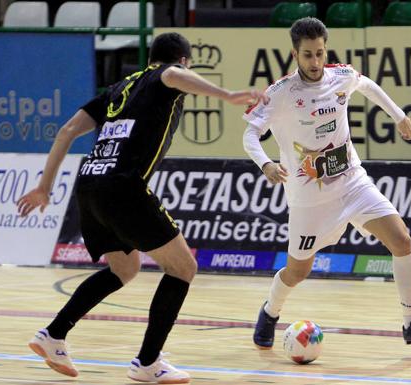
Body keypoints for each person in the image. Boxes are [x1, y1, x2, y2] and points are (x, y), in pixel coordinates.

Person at [16, 32, 267, 384]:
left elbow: (66, 131)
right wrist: (227, 95)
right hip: (122, 186)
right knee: (183, 267)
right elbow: (172, 76)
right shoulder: (165, 74)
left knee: (125, 267)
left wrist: (44, 187)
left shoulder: (117, 88)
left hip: (89, 184)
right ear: (183, 60)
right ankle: (148, 362)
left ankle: (53, 335)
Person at [242, 17, 411, 350]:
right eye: (307, 55)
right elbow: (250, 134)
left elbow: (366, 85)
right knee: (297, 272)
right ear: (295, 54)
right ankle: (270, 311)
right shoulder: (280, 93)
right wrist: (265, 162)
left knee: (402, 240)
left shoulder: (340, 75)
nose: (315, 61)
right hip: (310, 200)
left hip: (352, 181)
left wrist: (398, 115)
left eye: (320, 53)